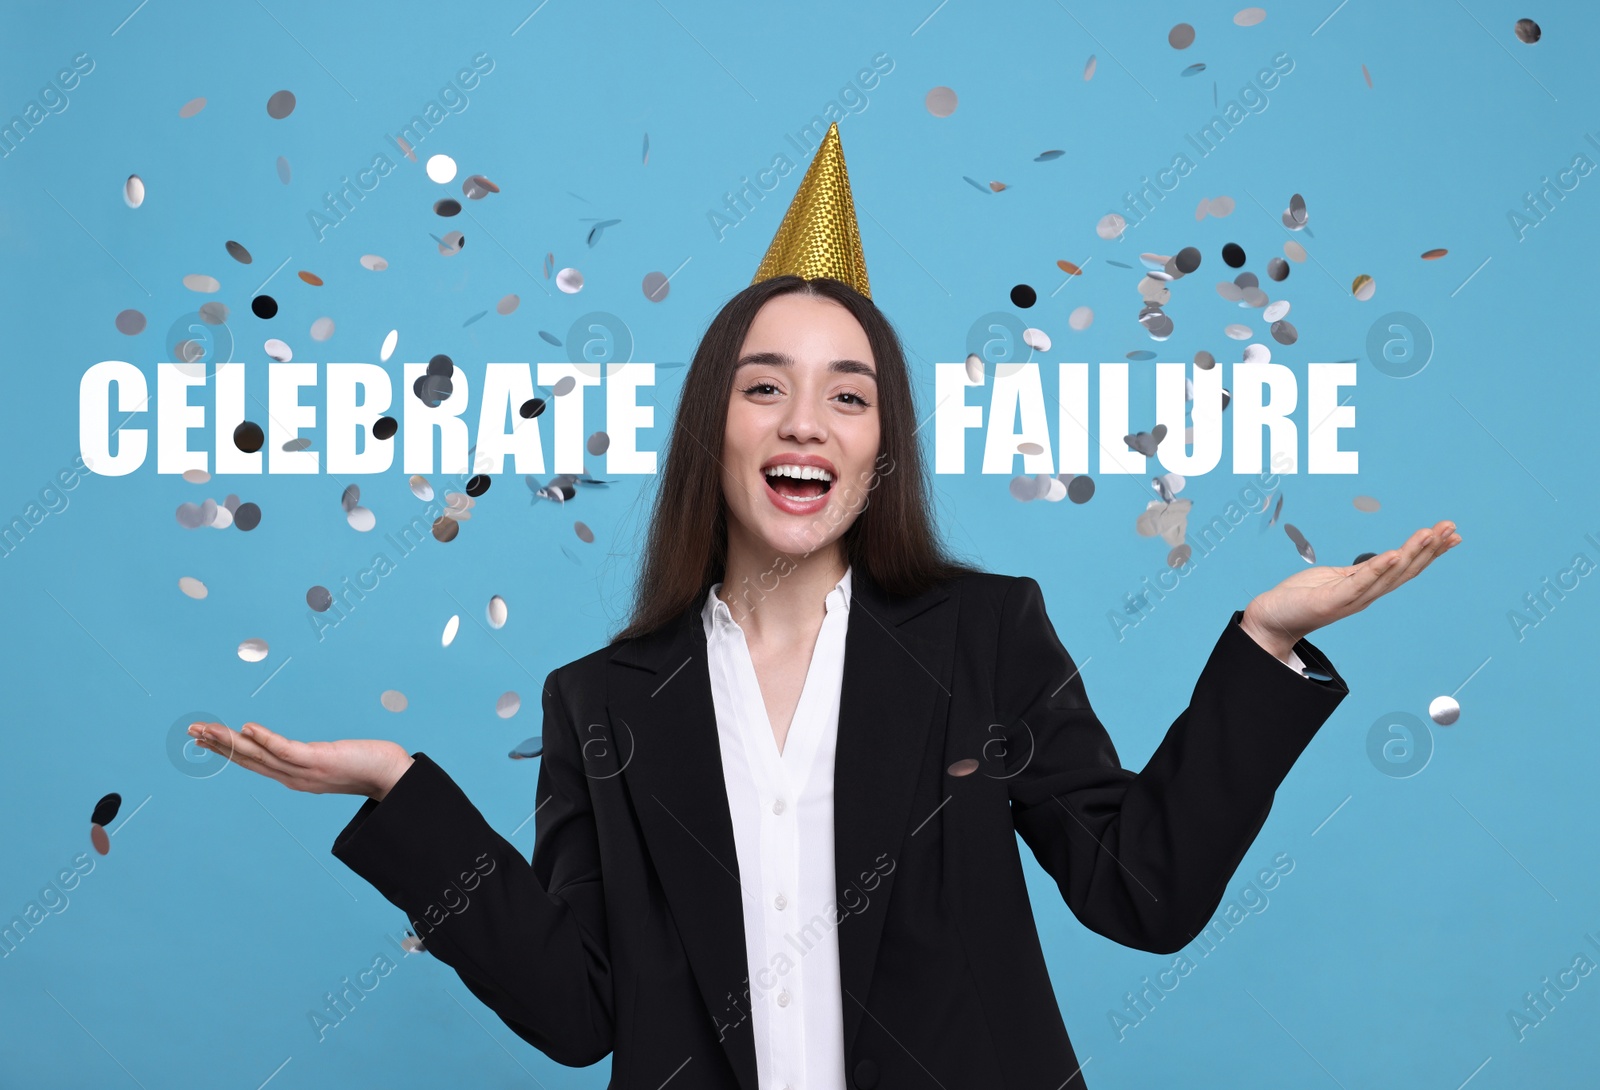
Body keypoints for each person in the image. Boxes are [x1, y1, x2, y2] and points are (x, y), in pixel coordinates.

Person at [189, 123, 1461, 1089]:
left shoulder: (985, 636)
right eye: (766, 388)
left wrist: (1265, 645)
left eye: (848, 394)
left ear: (879, 446)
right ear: (713, 430)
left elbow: (1142, 892)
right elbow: (583, 1014)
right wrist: (401, 794)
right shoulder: (604, 701)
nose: (807, 419)